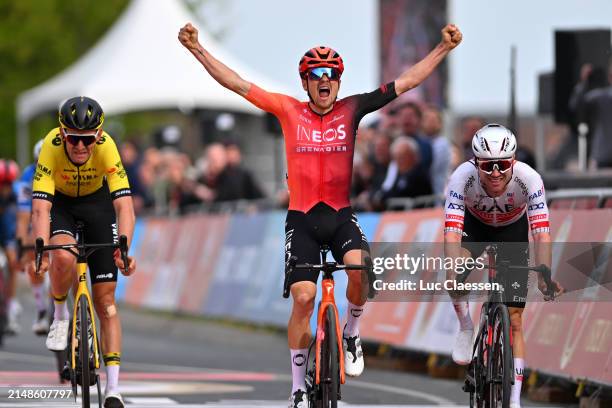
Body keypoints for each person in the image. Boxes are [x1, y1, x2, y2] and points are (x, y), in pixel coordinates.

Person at [179, 21, 462, 407]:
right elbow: (237, 83)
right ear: (306, 82)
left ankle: (352, 332)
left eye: (331, 74)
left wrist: (442, 48)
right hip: (302, 219)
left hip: (340, 215)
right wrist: (198, 49)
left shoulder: (353, 108)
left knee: (361, 268)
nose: (324, 79)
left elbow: (406, 83)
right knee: (303, 297)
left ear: (339, 81)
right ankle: (297, 385)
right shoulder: (287, 110)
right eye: (316, 75)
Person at [444, 124, 564, 408]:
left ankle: (514, 401)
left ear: (513, 161)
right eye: (487, 166)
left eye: (502, 164)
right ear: (476, 163)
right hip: (474, 227)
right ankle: (465, 326)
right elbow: (451, 232)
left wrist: (544, 274)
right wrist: (453, 269)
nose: (495, 172)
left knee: (516, 319)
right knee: (454, 277)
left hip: (511, 230)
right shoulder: (461, 178)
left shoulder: (529, 179)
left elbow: (541, 232)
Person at [31, 96, 136, 408]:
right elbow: (40, 209)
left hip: (97, 206)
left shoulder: (107, 146)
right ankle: (60, 316)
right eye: (73, 139)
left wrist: (125, 248)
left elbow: (124, 205)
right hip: (60, 205)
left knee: (107, 304)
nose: (79, 146)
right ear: (62, 135)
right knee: (63, 254)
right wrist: (41, 252)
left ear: (98, 136)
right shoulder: (51, 145)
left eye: (86, 140)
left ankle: (114, 389)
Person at [14, 139, 51, 335]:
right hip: (36, 216)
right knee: (31, 248)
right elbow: (23, 216)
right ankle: (42, 310)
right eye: (39, 161)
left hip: (59, 215)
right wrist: (21, 245)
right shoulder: (27, 177)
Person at [0, 158, 20, 335]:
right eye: (1, 184)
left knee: (12, 263)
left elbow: (14, 226)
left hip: (7, 236)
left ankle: (11, 303)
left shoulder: (16, 196)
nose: (5, 188)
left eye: (8, 184)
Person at [422, 105, 451, 197]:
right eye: (427, 120)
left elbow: (431, 169)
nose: (430, 123)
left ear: (440, 124)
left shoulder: (442, 143)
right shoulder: (421, 142)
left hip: (437, 194)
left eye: (433, 120)